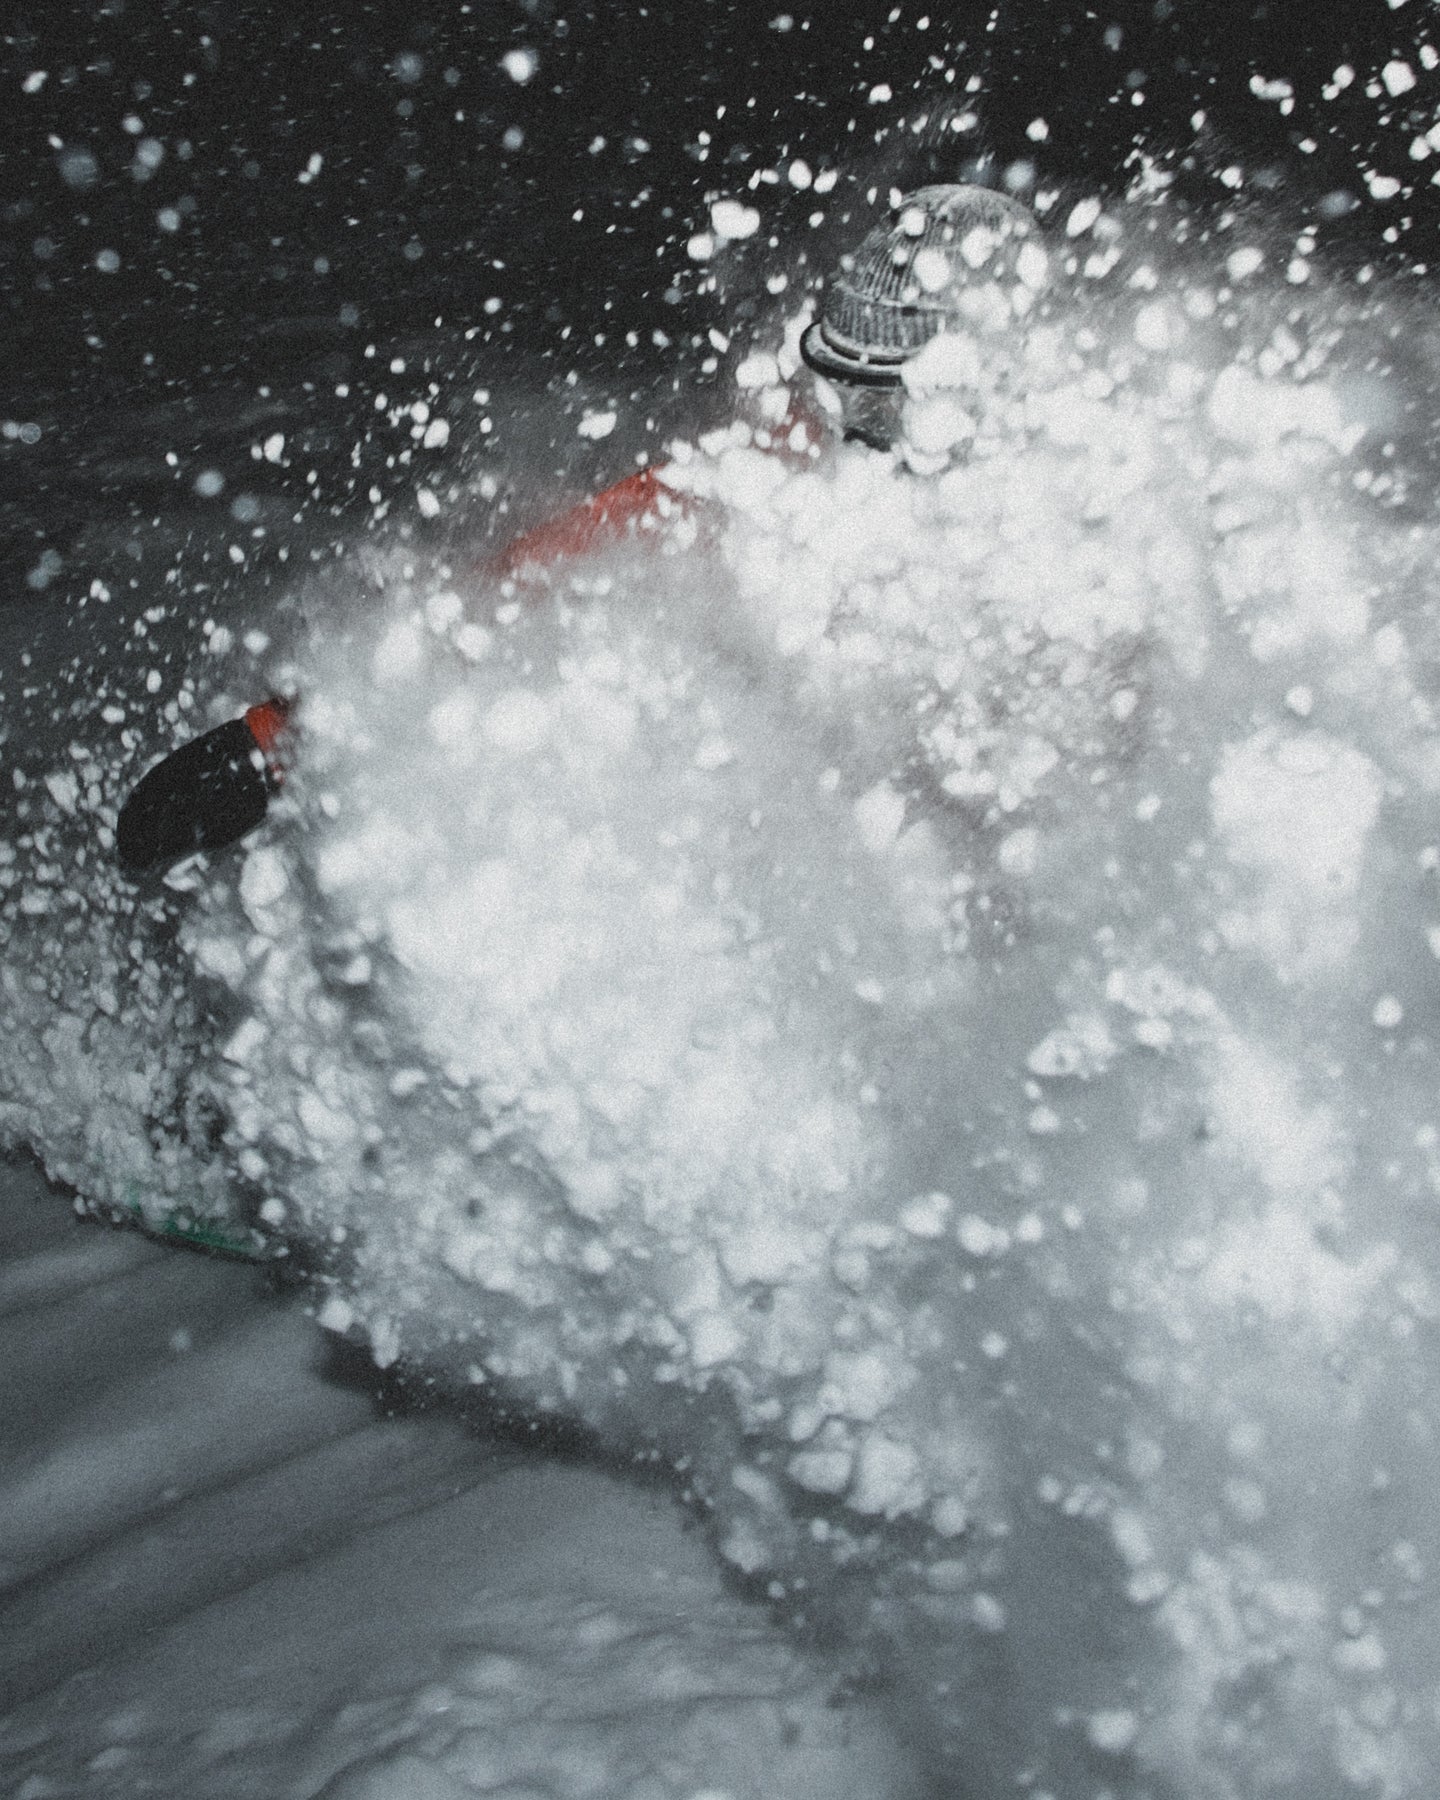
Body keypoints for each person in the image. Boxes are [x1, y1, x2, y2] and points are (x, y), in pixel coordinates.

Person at [115, 183, 1040, 875]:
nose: (829, 424)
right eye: (837, 387)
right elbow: (524, 585)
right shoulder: (761, 486)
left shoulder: (1082, 548)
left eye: (872, 394)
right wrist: (289, 736)